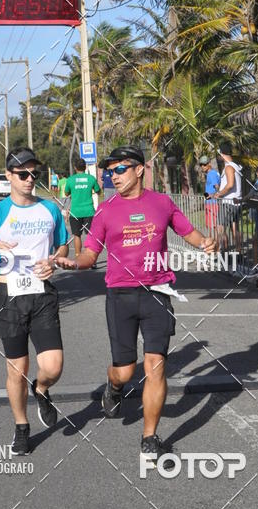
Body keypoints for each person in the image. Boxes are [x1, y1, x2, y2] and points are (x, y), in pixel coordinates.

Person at [55, 145, 216, 461]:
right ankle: (114, 388)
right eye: (109, 171)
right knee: (126, 372)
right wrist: (76, 263)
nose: (112, 175)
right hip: (120, 296)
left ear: (139, 169)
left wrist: (207, 242)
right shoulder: (106, 211)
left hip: (157, 292)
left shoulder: (162, 203)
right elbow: (90, 253)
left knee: (155, 366)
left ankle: (149, 437)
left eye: (119, 169)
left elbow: (189, 233)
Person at [0, 147, 69, 456]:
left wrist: (54, 261)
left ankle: (41, 389)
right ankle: (21, 427)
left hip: (42, 294)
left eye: (34, 174)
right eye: (23, 174)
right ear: (9, 177)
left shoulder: (50, 210)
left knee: (52, 367)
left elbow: (63, 247)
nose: (30, 179)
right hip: (8, 296)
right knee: (17, 369)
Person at [64, 159, 101, 262]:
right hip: (89, 211)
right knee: (91, 235)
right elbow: (98, 191)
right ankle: (92, 260)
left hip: (75, 212)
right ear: (85, 167)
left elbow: (66, 193)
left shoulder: (70, 180)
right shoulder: (91, 179)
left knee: (77, 235)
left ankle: (78, 258)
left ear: (75, 168)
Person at [213, 143, 243, 256]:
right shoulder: (235, 166)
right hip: (235, 203)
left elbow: (230, 185)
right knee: (235, 228)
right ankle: (238, 253)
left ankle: (222, 253)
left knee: (220, 228)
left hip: (228, 203)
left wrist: (219, 194)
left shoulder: (229, 167)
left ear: (222, 154)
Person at [199, 155, 220, 236]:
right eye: (201, 165)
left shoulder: (212, 174)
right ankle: (212, 243)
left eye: (204, 164)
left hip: (213, 203)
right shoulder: (209, 174)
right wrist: (206, 197)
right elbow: (208, 189)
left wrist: (211, 196)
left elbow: (217, 187)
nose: (202, 166)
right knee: (209, 226)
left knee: (213, 226)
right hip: (209, 202)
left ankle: (216, 245)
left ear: (209, 164)